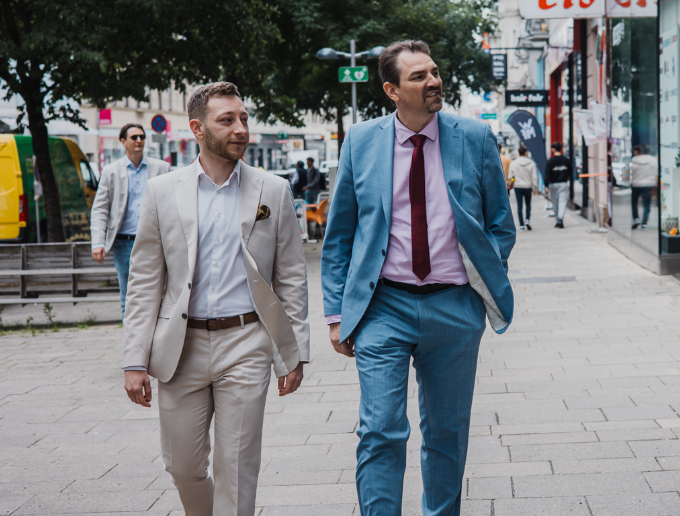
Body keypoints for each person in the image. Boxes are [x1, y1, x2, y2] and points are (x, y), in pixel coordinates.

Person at [321, 40, 515, 516]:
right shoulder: (361, 141)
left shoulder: (475, 137)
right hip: (382, 307)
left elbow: (500, 224)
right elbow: (340, 234)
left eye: (434, 72)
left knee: (447, 432)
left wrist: (482, 275)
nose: (433, 81)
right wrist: (335, 313)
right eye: (418, 76)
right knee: (380, 429)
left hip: (455, 307)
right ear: (392, 90)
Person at [122, 82, 309, 516]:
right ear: (197, 129)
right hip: (180, 346)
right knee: (183, 467)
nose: (240, 128)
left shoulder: (273, 189)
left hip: (247, 342)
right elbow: (145, 280)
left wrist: (295, 351)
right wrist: (134, 359)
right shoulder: (163, 191)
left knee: (237, 468)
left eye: (243, 118)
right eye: (227, 120)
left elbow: (291, 277)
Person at [90, 124, 170, 319]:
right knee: (128, 297)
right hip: (123, 243)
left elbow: (171, 204)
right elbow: (100, 208)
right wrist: (98, 242)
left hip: (154, 241)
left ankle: (154, 336)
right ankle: (131, 338)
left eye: (142, 136)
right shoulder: (111, 171)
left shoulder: (161, 168)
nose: (139, 140)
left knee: (158, 294)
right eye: (134, 137)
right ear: (123, 141)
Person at [508, 146, 538, 231]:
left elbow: (510, 176)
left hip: (518, 186)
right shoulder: (531, 163)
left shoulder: (513, 163)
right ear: (526, 153)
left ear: (518, 153)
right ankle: (527, 220)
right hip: (528, 186)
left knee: (519, 205)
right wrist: (535, 187)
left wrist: (511, 183)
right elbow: (534, 177)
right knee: (528, 204)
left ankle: (521, 225)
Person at [630, 144, 657, 229]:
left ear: (637, 151)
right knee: (647, 204)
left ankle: (636, 218)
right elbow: (656, 172)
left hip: (636, 184)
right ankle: (644, 222)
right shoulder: (653, 160)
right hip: (649, 184)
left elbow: (629, 173)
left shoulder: (633, 160)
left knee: (634, 203)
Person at [544, 142, 571, 229]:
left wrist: (546, 185)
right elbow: (570, 172)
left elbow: (547, 174)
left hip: (553, 184)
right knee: (563, 202)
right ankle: (560, 218)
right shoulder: (565, 159)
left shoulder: (551, 161)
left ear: (553, 149)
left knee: (555, 202)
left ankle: (557, 220)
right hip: (563, 183)